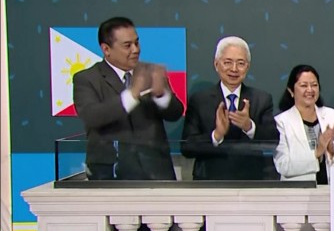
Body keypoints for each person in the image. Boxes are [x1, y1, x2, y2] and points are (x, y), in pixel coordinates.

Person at [73, 16, 184, 180]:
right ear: (106, 49)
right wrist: (132, 95)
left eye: (137, 43)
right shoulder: (87, 79)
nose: (135, 49)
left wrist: (161, 95)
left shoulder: (150, 72)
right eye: (127, 45)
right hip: (111, 173)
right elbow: (92, 116)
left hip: (156, 171)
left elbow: (175, 113)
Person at [181, 36, 277, 180]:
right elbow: (187, 147)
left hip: (251, 181)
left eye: (240, 63)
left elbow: (274, 140)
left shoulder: (261, 99)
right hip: (210, 181)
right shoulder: (199, 100)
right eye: (227, 62)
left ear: (247, 67)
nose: (234, 69)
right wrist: (216, 135)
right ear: (216, 64)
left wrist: (249, 127)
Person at [274, 64, 334, 182]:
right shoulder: (281, 122)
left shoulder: (331, 116)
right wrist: (317, 152)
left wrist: (331, 149)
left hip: (331, 187)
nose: (310, 90)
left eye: (314, 85)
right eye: (304, 85)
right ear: (291, 90)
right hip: (298, 189)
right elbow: (283, 165)